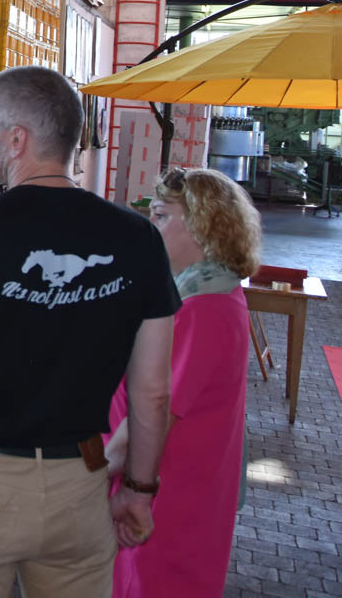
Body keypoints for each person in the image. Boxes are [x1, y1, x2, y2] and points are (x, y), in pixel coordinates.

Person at [0, 65, 181, 597]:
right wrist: (139, 490)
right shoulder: (139, 239)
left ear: (16, 139)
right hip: (80, 491)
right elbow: (153, 394)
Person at [103, 168, 259, 597]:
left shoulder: (203, 308)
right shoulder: (204, 291)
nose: (151, 228)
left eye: (160, 216)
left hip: (166, 496)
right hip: (168, 487)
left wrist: (94, 479)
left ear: (202, 226)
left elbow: (152, 413)